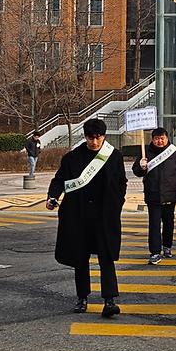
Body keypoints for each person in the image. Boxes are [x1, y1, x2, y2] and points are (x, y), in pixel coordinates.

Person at [46, 118, 127, 318]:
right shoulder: (72, 158)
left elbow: (121, 183)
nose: (94, 142)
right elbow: (59, 180)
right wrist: (52, 197)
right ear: (85, 137)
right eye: (90, 138)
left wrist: (115, 204)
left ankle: (109, 300)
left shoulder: (113, 156)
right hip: (78, 214)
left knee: (106, 258)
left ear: (104, 136)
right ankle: (82, 298)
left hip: (104, 216)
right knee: (80, 257)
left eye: (98, 137)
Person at [132, 128, 176, 265]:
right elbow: (136, 171)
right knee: (154, 225)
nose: (160, 141)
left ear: (167, 138)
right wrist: (141, 166)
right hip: (153, 195)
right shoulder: (146, 152)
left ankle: (167, 246)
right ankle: (155, 252)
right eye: (157, 138)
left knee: (169, 223)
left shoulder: (175, 153)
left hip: (170, 194)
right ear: (152, 139)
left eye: (162, 138)